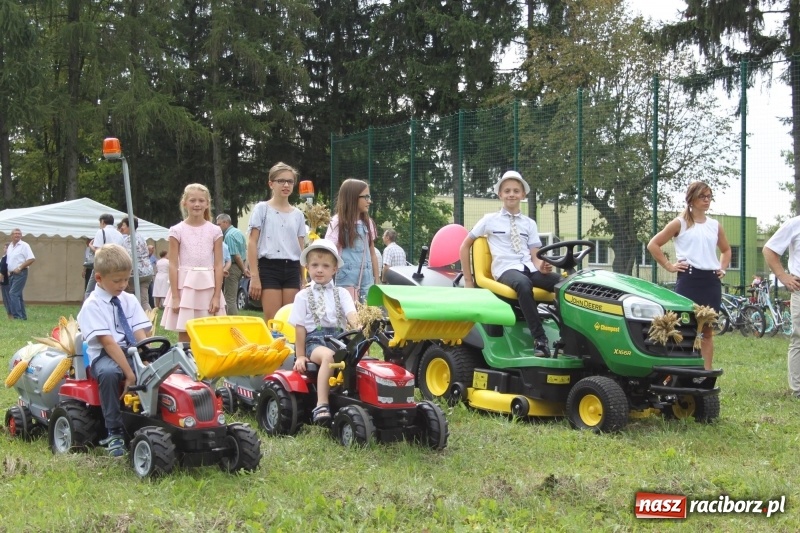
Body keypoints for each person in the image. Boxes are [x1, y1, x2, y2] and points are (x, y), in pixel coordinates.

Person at [459, 171, 559, 356]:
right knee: (523, 283)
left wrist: (542, 266)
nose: (511, 194)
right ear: (500, 195)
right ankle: (540, 340)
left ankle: (570, 336)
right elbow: (464, 246)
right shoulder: (489, 220)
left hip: (528, 268)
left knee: (564, 284)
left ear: (523, 195)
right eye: (507, 191)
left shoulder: (529, 224)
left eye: (515, 190)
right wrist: (468, 280)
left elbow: (535, 256)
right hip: (506, 270)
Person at [77, 244, 152, 457]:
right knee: (111, 373)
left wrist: (148, 358)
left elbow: (139, 334)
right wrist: (130, 373)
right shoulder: (92, 305)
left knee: (162, 368)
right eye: (117, 281)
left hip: (131, 350)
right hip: (104, 354)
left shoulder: (129, 300)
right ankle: (114, 431)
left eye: (126, 279)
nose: (123, 285)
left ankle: (152, 418)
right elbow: (108, 343)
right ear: (99, 278)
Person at [647, 181, 730, 371]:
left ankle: (706, 372)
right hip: (688, 280)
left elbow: (726, 250)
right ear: (691, 199)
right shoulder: (680, 223)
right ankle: (680, 370)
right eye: (703, 196)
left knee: (707, 331)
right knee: (682, 327)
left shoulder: (715, 225)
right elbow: (653, 244)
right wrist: (669, 265)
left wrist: (722, 268)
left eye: (709, 196)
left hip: (711, 282)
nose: (707, 200)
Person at [288, 239, 359, 424]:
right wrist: (301, 355)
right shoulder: (303, 295)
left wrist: (359, 324)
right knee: (328, 357)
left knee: (359, 358)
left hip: (339, 339)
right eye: (315, 265)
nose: (319, 270)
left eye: (325, 266)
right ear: (307, 267)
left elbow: (352, 315)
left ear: (334, 269)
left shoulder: (342, 294)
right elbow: (300, 327)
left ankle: (354, 397)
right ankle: (322, 404)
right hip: (315, 342)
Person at [161, 183, 225, 342]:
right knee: (185, 331)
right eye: (193, 200)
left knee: (209, 331)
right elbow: (173, 264)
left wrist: (216, 296)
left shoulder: (215, 231)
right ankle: (186, 364)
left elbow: (218, 265)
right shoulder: (177, 230)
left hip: (208, 286)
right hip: (185, 286)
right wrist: (175, 296)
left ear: (207, 203)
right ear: (185, 203)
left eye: (201, 201)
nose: (197, 204)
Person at [247, 162, 307, 321]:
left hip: (292, 268)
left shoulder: (298, 215)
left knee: (290, 319)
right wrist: (254, 276)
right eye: (281, 181)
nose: (286, 185)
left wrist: (304, 278)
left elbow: (301, 248)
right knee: (273, 321)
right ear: (271, 184)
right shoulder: (262, 209)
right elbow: (252, 242)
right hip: (269, 266)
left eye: (290, 181)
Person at [325, 178, 380, 303]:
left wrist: (377, 279)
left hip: (367, 278)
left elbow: (372, 253)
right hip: (345, 278)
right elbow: (329, 252)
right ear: (353, 197)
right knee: (347, 313)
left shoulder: (368, 222)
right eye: (366, 197)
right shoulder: (337, 222)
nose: (369, 201)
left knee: (369, 315)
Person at [763, 215, 800, 398]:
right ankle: (798, 390)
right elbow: (769, 250)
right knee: (799, 338)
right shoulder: (795, 223)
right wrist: (783, 276)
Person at [85, 214, 125, 299]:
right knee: (111, 290)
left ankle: (88, 308)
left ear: (102, 222)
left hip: (103, 264)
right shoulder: (119, 235)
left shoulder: (101, 232)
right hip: (116, 265)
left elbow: (98, 251)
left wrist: (91, 246)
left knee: (90, 290)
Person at [119, 217, 154, 312]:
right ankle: (149, 321)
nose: (122, 227)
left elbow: (129, 258)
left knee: (126, 298)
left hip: (135, 273)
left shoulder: (129, 240)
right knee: (144, 301)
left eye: (123, 225)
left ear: (129, 226)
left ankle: (130, 320)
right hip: (147, 273)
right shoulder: (141, 237)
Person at [216, 213, 248, 316]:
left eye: (219, 224)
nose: (217, 227)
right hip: (240, 266)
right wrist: (245, 268)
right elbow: (245, 252)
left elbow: (236, 255)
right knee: (232, 297)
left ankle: (232, 322)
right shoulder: (239, 232)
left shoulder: (229, 236)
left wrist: (243, 269)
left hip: (233, 267)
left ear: (225, 222)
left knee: (229, 298)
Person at [7, 228, 36, 321]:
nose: (17, 235)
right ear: (11, 235)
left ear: (21, 235)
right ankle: (23, 317)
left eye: (19, 234)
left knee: (13, 293)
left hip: (21, 273)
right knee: (18, 295)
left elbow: (31, 258)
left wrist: (20, 267)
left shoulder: (24, 245)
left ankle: (17, 316)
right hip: (11, 274)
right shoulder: (10, 246)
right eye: (15, 234)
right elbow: (9, 260)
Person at [1, 243, 11, 319]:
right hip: (3, 281)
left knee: (8, 298)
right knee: (5, 299)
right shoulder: (3, 258)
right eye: (5, 248)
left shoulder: (9, 258)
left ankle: (11, 314)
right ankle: (9, 314)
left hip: (8, 281)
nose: (5, 249)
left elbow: (4, 270)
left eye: (7, 248)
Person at [147, 244, 157, 309]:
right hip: (146, 275)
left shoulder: (153, 257)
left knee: (151, 291)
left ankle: (152, 305)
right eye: (151, 250)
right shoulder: (145, 256)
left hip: (150, 275)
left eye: (153, 250)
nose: (152, 251)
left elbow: (157, 263)